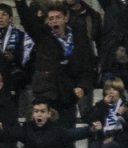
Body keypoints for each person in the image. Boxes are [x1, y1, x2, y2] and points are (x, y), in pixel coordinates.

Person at [15, 0, 96, 128]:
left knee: (67, 137)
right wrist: (20, 3)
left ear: (66, 18)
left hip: (68, 96)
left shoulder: (79, 37)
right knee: (46, 136)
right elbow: (27, 21)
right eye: (51, 18)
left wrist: (83, 86)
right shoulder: (42, 36)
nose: (54, 21)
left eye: (58, 17)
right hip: (46, 94)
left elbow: (87, 66)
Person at [87, 78, 128, 148]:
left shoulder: (126, 107)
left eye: (114, 89)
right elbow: (90, 119)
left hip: (119, 139)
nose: (111, 92)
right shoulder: (101, 104)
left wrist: (114, 138)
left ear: (120, 92)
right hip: (102, 136)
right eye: (108, 89)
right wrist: (103, 104)